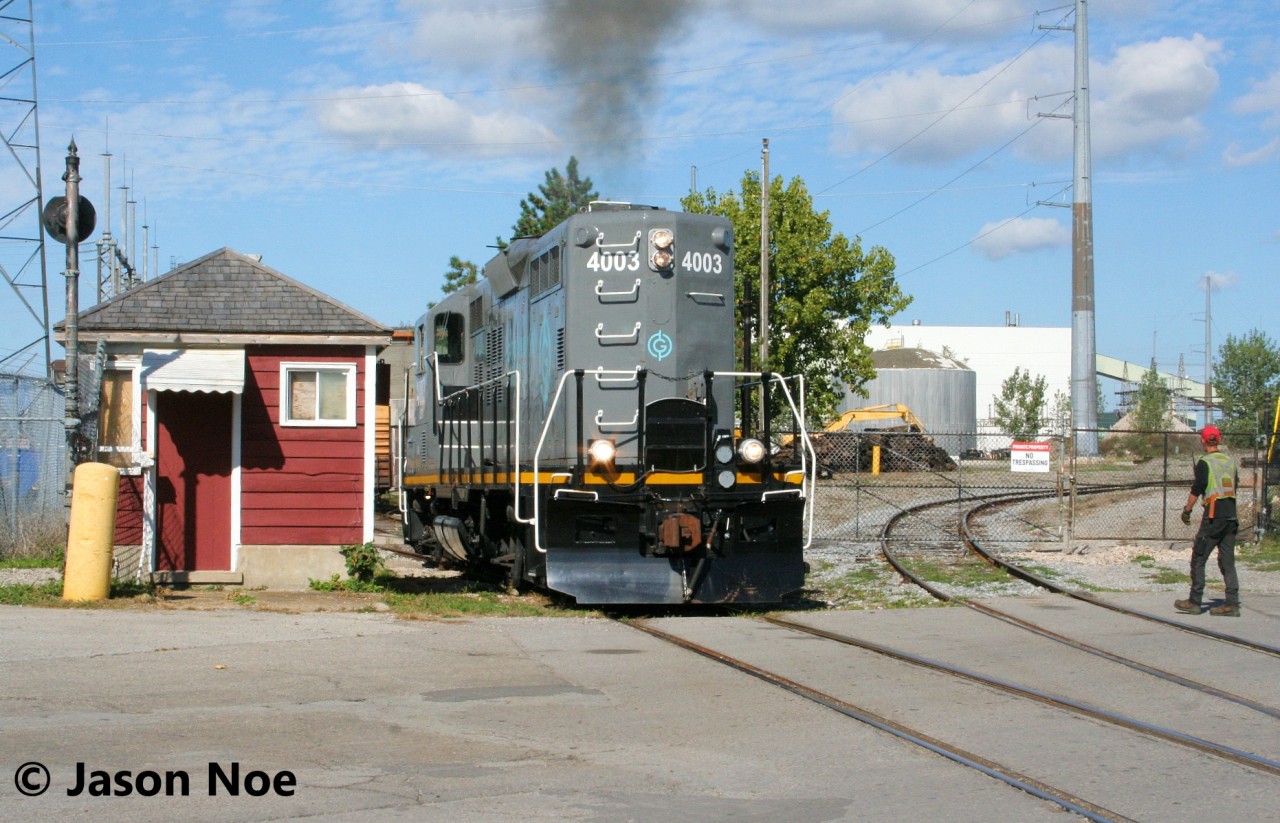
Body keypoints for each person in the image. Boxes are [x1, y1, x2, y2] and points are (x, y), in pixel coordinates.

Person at [1174, 425, 1241, 616]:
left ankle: (1195, 601)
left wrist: (1187, 510)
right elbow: (1234, 485)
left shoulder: (1205, 462)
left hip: (1213, 517)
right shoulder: (1230, 461)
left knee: (1199, 558)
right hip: (1231, 517)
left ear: (1203, 441)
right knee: (1227, 561)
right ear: (1218, 440)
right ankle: (1232, 604)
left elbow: (1197, 488)